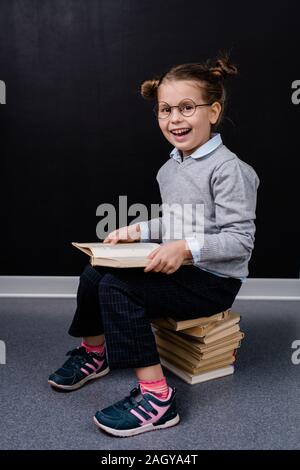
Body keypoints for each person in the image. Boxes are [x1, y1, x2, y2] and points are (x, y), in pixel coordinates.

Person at [48, 52, 260, 437]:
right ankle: (95, 354)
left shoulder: (229, 170)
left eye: (186, 107)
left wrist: (184, 249)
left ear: (213, 112)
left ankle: (157, 398)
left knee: (119, 287)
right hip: (185, 269)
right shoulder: (171, 167)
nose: (174, 119)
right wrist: (138, 232)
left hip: (213, 281)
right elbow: (177, 221)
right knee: (96, 272)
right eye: (165, 110)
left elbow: (240, 239)